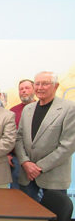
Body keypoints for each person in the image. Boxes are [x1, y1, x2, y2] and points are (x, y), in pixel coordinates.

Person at [15, 71, 75, 202]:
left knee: (55, 214)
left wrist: (39, 167)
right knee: (26, 213)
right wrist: (25, 162)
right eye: (37, 84)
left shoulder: (69, 108)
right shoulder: (28, 109)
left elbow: (68, 145)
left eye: (45, 84)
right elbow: (18, 138)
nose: (40, 87)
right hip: (27, 176)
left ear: (56, 86)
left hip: (53, 178)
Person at [8, 79, 35, 189]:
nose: (23, 91)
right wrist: (7, 154)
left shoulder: (40, 108)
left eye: (27, 88)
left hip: (37, 160)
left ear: (34, 89)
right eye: (21, 89)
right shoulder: (13, 111)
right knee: (17, 194)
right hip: (16, 159)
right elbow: (8, 134)